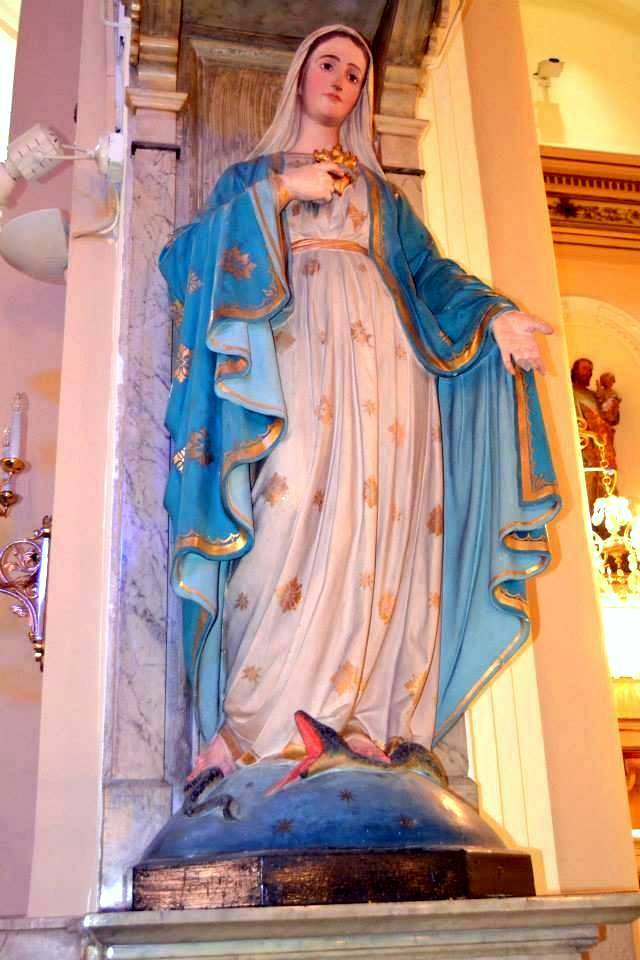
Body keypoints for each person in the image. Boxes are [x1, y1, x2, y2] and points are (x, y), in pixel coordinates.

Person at [159, 24, 560, 781]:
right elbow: (186, 259)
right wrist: (283, 192)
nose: (341, 80)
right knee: (290, 504)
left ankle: (366, 718)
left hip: (389, 377)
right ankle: (253, 727)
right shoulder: (251, 177)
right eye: (329, 64)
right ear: (300, 76)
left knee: (382, 523)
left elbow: (432, 277)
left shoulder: (383, 198)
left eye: (355, 73)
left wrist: (494, 317)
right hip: (295, 366)